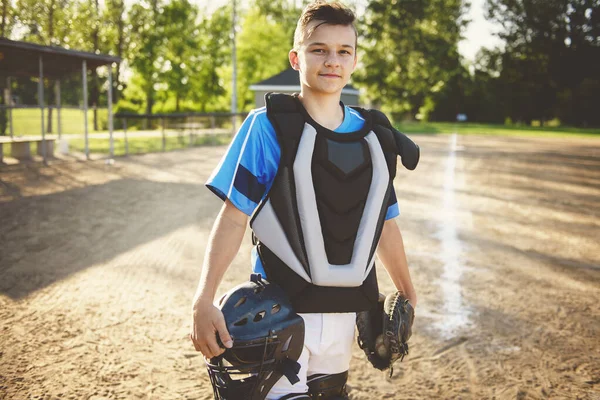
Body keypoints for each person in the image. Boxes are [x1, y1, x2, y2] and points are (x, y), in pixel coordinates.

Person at [190, 1, 418, 399]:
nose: (332, 60)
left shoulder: (376, 138)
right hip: (280, 312)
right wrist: (202, 299)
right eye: (319, 49)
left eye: (343, 51)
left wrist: (408, 292)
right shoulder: (267, 126)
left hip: (345, 313)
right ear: (296, 58)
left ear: (355, 61)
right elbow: (232, 217)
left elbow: (384, 224)